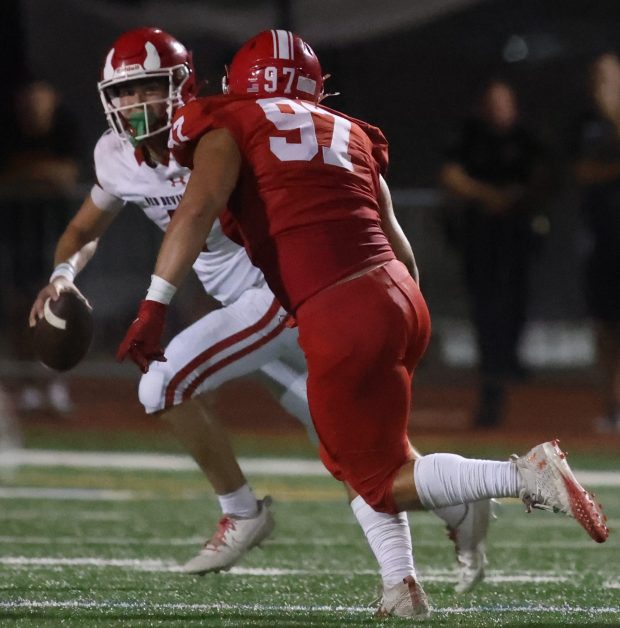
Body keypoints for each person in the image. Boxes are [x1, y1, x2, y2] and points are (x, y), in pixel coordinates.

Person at [117, 30, 608, 618]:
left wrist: (154, 305)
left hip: (337, 308)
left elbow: (195, 211)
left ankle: (524, 474)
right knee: (369, 455)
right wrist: (394, 326)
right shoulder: (346, 130)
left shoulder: (231, 121)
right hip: (398, 298)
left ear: (242, 79)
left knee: (376, 478)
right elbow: (400, 245)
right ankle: (403, 589)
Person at [28, 28, 491, 605]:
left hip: (278, 291)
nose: (136, 105)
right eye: (125, 93)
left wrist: (155, 305)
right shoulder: (116, 155)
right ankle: (448, 512)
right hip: (258, 305)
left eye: (149, 89)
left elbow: (196, 214)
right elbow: (81, 231)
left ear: (181, 87)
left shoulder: (212, 131)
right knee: (348, 449)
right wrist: (62, 277)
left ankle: (241, 512)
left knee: (161, 384)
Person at [439, 79, 547, 428]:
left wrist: (517, 199)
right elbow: (450, 173)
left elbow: (547, 177)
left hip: (516, 238)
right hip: (480, 237)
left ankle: (507, 364)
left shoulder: (527, 138)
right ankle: (492, 373)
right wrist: (488, 196)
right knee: (485, 307)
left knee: (515, 303)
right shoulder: (471, 135)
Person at [0, 78, 81, 417]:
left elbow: (68, 175)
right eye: (28, 97)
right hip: (19, 235)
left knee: (60, 310)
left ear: (54, 98)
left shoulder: (65, 127)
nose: (34, 105)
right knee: (21, 308)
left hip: (57, 237)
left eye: (41, 97)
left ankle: (54, 382)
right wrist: (41, 174)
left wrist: (28, 173)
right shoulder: (9, 129)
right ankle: (29, 384)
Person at [572, 52, 620, 433]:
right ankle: (612, 405)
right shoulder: (584, 122)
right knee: (604, 326)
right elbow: (581, 171)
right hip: (601, 239)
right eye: (597, 75)